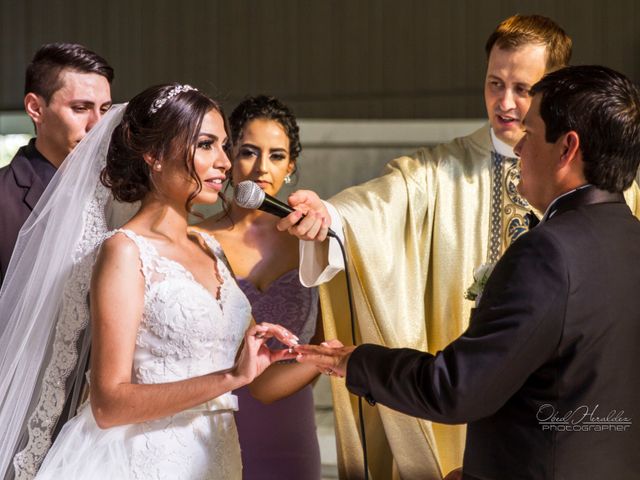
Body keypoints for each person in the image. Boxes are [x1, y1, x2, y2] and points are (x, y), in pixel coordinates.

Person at [278, 15, 640, 479]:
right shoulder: (441, 170)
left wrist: (357, 362)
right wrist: (331, 217)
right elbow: (386, 204)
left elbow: (458, 390)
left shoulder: (556, 244)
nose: (506, 104)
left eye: (523, 90)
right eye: (494, 83)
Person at [0, 84, 300, 480]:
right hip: (137, 462)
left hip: (215, 456)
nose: (225, 163)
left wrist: (325, 358)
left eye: (225, 146)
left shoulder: (211, 247)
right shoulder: (125, 251)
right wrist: (229, 379)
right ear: (154, 155)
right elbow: (109, 404)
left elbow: (237, 368)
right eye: (206, 144)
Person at [197, 95, 323, 479]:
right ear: (229, 155)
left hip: (292, 425)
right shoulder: (197, 238)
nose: (261, 168)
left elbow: (326, 333)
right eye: (249, 152)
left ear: (291, 166)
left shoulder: (313, 240)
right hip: (213, 420)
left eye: (276, 156)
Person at [0, 42, 113, 286]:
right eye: (81, 108)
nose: (97, 125)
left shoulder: (121, 192)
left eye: (105, 110)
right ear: (35, 108)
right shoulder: (3, 196)